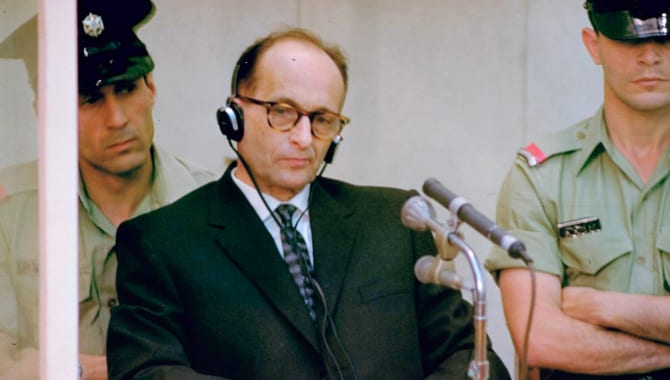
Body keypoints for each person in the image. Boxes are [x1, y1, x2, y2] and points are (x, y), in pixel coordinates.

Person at [106, 27, 511, 379]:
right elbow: (145, 370)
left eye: (322, 120)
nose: (303, 137)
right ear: (234, 114)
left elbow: (474, 358)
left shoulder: (396, 221)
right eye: (283, 112)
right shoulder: (162, 241)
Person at [485, 0, 670, 378]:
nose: (649, 56)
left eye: (667, 38)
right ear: (594, 45)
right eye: (627, 39)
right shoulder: (541, 176)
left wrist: (606, 308)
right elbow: (540, 339)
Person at [0, 0, 216, 378]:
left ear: (150, 87)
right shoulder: (9, 209)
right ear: (46, 113)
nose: (116, 118)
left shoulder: (212, 206)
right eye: (90, 99)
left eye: (127, 89)